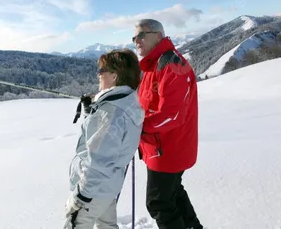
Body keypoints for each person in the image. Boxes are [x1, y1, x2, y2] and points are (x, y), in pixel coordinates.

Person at [133, 19, 203, 229]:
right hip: (160, 147)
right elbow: (146, 102)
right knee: (173, 193)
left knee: (159, 203)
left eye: (142, 35)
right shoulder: (154, 64)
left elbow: (172, 114)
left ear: (158, 35)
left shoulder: (171, 65)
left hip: (168, 150)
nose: (137, 41)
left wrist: (139, 126)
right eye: (134, 37)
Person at [64, 49, 145, 229]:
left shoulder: (110, 112)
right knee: (107, 226)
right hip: (108, 185)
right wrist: (90, 111)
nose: (98, 75)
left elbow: (98, 161)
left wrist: (81, 197)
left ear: (114, 76)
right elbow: (102, 139)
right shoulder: (126, 101)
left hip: (94, 189)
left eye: (102, 71)